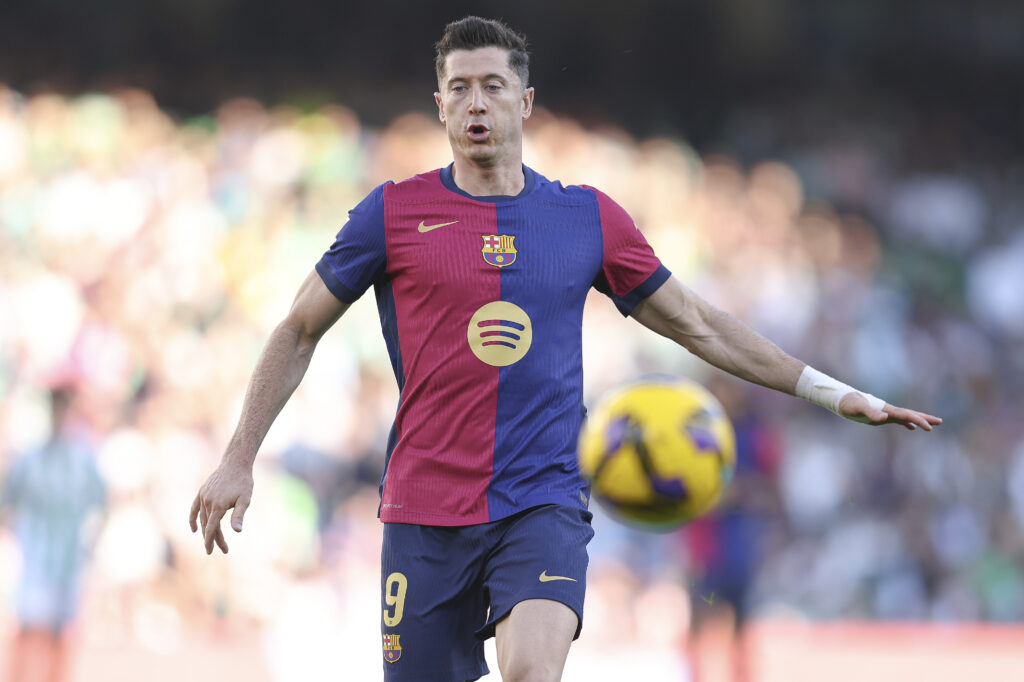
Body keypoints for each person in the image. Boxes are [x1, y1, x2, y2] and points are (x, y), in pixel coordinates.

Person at [189, 16, 941, 682]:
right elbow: (297, 329)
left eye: (491, 85)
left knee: (531, 674)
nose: (475, 103)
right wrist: (238, 455)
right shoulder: (392, 213)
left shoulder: (585, 219)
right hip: (422, 508)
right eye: (458, 88)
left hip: (542, 499)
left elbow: (699, 324)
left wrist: (832, 392)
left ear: (526, 101)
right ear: (440, 105)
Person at [2, 385, 107, 682]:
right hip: (33, 559)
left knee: (61, 634)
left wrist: (90, 546)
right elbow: (7, 503)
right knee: (26, 630)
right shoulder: (29, 460)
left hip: (68, 561)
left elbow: (101, 503)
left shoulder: (83, 461)